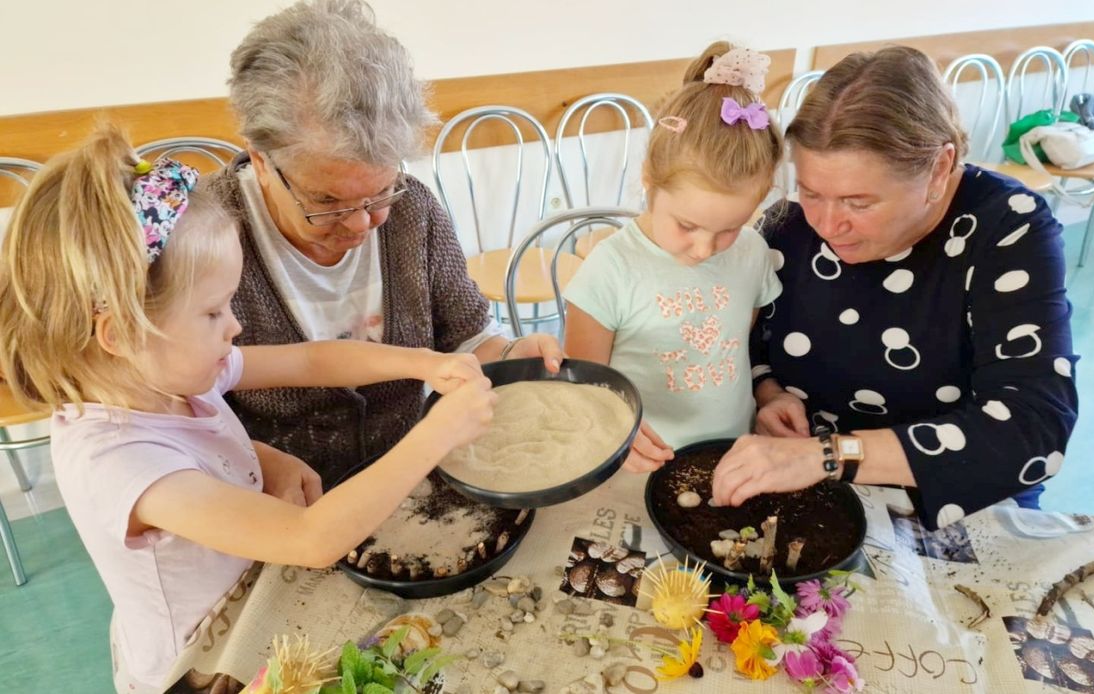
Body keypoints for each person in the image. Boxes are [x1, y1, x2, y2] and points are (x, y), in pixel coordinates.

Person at [0, 126, 496, 692]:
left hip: (254, 603)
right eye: (213, 312)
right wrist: (436, 433)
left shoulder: (168, 377)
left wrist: (422, 363)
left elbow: (312, 362)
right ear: (120, 332)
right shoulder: (116, 461)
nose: (234, 326)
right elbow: (310, 538)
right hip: (203, 666)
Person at [710, 46, 1079, 530]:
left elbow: (1032, 426)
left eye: (858, 203)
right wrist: (768, 391)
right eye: (811, 191)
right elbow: (748, 335)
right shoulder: (790, 223)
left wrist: (830, 456)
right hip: (804, 475)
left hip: (945, 493)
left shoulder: (1006, 228)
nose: (826, 224)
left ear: (939, 168)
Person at [203, 0, 561, 485]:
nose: (359, 224)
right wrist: (260, 459)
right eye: (326, 201)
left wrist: (511, 355)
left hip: (415, 480)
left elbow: (468, 339)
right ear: (261, 159)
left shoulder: (414, 212)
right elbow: (174, 399)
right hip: (273, 502)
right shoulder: (200, 237)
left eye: (379, 192)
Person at [563, 43, 784, 471]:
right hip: (641, 464)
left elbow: (741, 341)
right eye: (686, 225)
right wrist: (614, 435)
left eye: (729, 229)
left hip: (734, 454)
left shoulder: (753, 252)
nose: (704, 249)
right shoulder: (610, 270)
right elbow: (584, 390)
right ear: (648, 179)